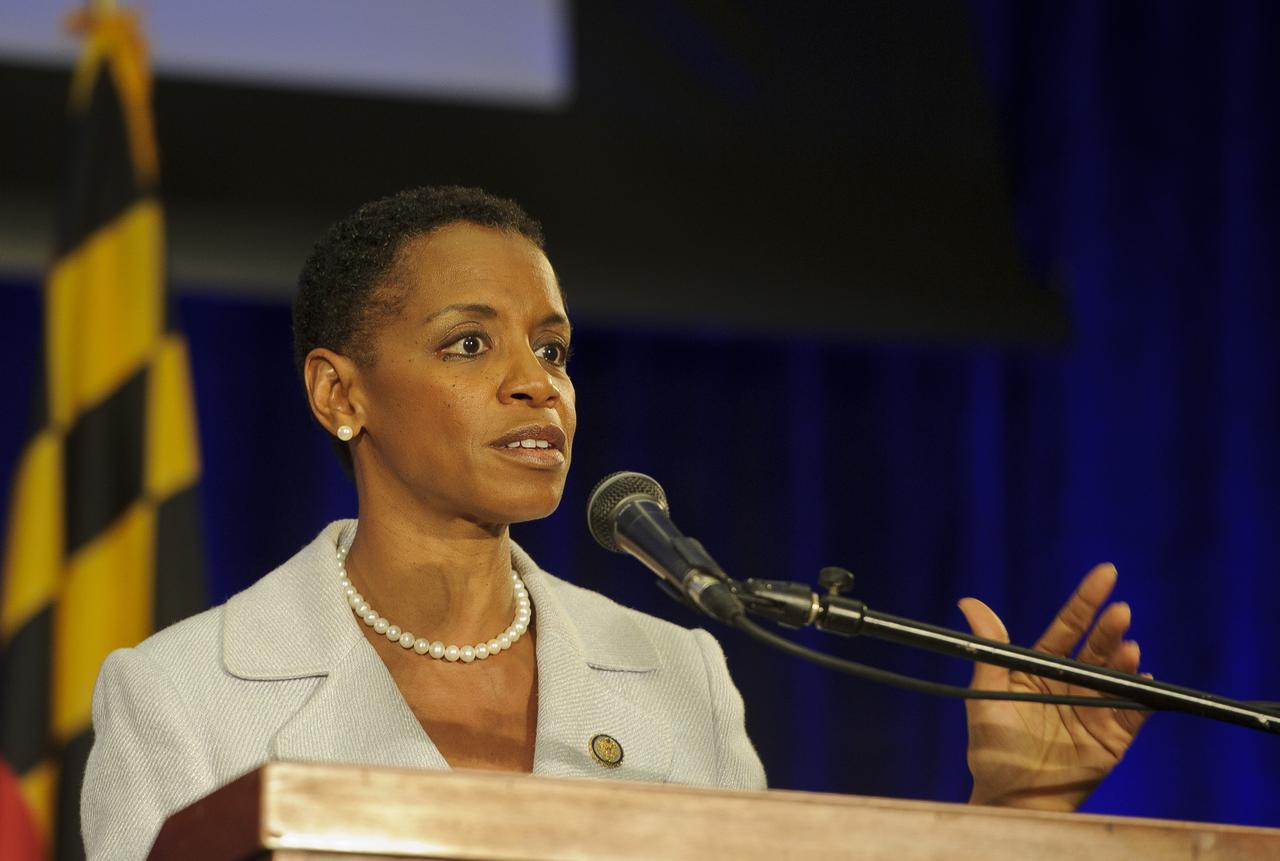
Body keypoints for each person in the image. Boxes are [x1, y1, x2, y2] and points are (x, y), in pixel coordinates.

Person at [80, 186, 1145, 858]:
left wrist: (1018, 811)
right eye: (467, 345)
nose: (534, 386)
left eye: (550, 348)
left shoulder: (677, 673)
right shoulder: (183, 694)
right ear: (338, 395)